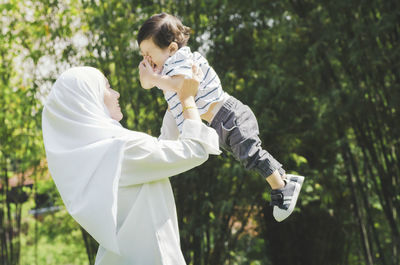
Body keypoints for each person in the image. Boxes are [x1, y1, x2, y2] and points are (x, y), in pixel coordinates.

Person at [41, 66, 220, 265]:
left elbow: (160, 154)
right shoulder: (121, 149)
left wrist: (174, 101)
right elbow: (194, 150)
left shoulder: (102, 154)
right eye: (107, 87)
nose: (116, 94)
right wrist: (187, 100)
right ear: (89, 99)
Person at [137, 12, 305, 222]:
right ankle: (286, 179)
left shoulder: (181, 60)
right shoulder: (164, 70)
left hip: (229, 115)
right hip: (219, 123)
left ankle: (282, 187)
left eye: (149, 53)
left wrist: (154, 78)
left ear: (171, 48)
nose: (146, 59)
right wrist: (151, 75)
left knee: (251, 154)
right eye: (143, 55)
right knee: (247, 156)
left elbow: (181, 86)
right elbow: (147, 83)